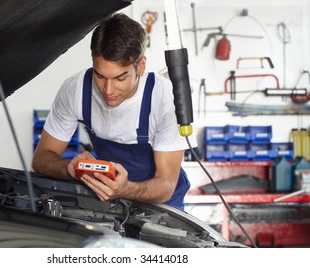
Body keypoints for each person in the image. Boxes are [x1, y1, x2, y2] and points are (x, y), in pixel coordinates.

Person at [32, 13, 195, 210]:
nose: (108, 90)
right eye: (100, 76)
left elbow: (166, 185)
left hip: (163, 206)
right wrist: (69, 168)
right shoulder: (75, 89)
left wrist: (125, 189)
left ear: (140, 66)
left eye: (120, 78)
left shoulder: (164, 99)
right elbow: (41, 159)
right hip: (110, 198)